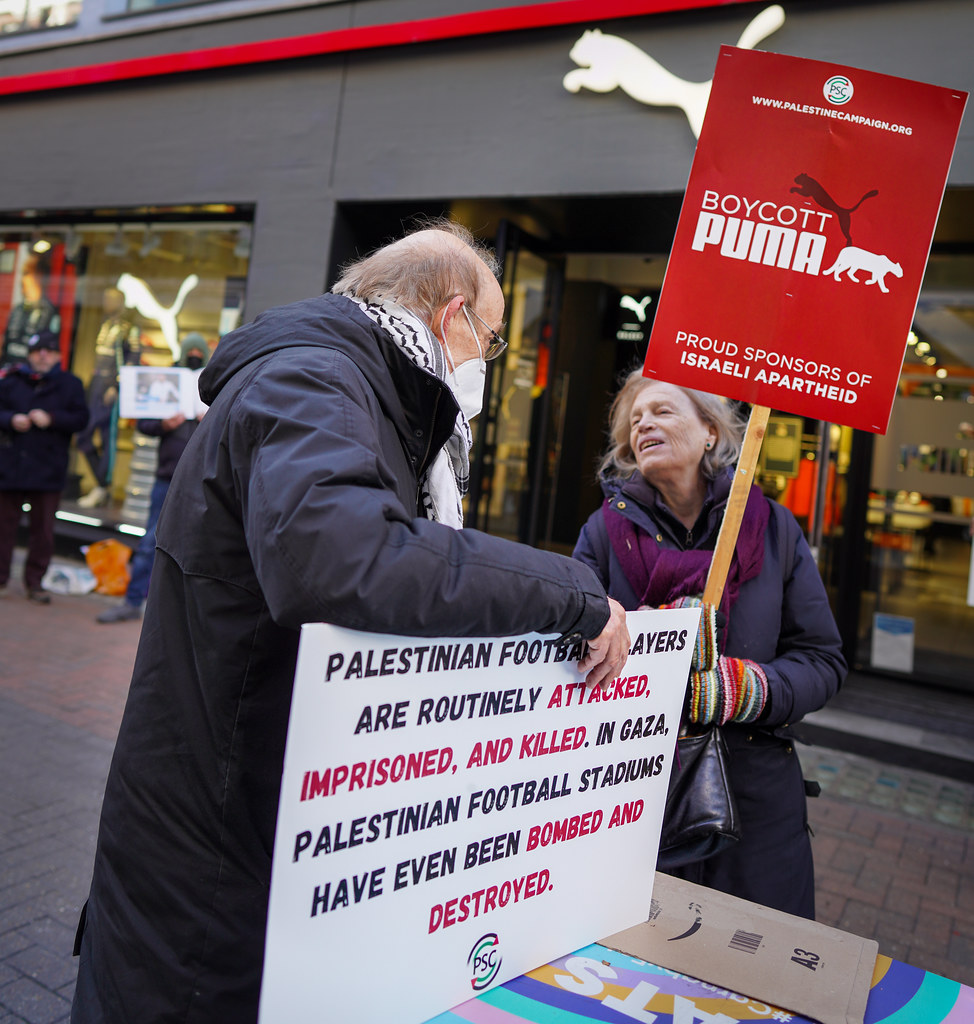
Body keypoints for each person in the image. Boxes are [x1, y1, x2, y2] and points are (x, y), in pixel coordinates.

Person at [72, 222, 629, 1023]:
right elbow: (342, 558)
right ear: (452, 318)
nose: (488, 365)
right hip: (212, 844)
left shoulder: (355, 389)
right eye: (493, 340)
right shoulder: (314, 379)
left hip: (257, 820)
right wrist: (570, 591)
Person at [573, 370, 846, 919]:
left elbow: (822, 659)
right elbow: (573, 653)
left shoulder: (774, 530)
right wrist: (646, 642)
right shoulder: (602, 535)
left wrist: (747, 689)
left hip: (757, 810)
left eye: (663, 410)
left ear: (710, 433)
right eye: (635, 418)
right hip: (634, 801)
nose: (643, 421)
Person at [96, 333, 209, 623]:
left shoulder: (214, 381)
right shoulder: (167, 378)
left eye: (199, 350)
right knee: (150, 541)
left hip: (201, 478)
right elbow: (144, 422)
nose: (194, 353)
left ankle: (178, 613)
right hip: (167, 476)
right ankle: (133, 601)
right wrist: (163, 423)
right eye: (190, 350)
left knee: (196, 545)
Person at [0, 331, 88, 602]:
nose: (43, 355)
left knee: (43, 532)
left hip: (48, 468)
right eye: (38, 350)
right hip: (10, 466)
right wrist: (10, 419)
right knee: (3, 528)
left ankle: (35, 583)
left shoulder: (70, 384)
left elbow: (81, 418)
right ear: (29, 353)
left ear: (58, 356)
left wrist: (51, 418)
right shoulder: (11, 380)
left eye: (49, 351)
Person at [76, 287, 141, 507]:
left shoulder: (128, 329)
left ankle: (102, 486)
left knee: (107, 437)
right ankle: (102, 482)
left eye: (110, 299)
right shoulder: (104, 324)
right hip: (95, 383)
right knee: (84, 435)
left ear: (120, 302)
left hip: (110, 387)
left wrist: (116, 385)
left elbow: (133, 358)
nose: (105, 302)